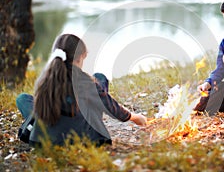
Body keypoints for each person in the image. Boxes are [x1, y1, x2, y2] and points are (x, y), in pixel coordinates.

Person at [16, 33, 147, 147]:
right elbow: (113, 109)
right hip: (81, 138)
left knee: (23, 99)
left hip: (41, 139)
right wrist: (135, 117)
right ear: (80, 57)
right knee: (99, 78)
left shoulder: (45, 80)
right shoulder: (86, 83)